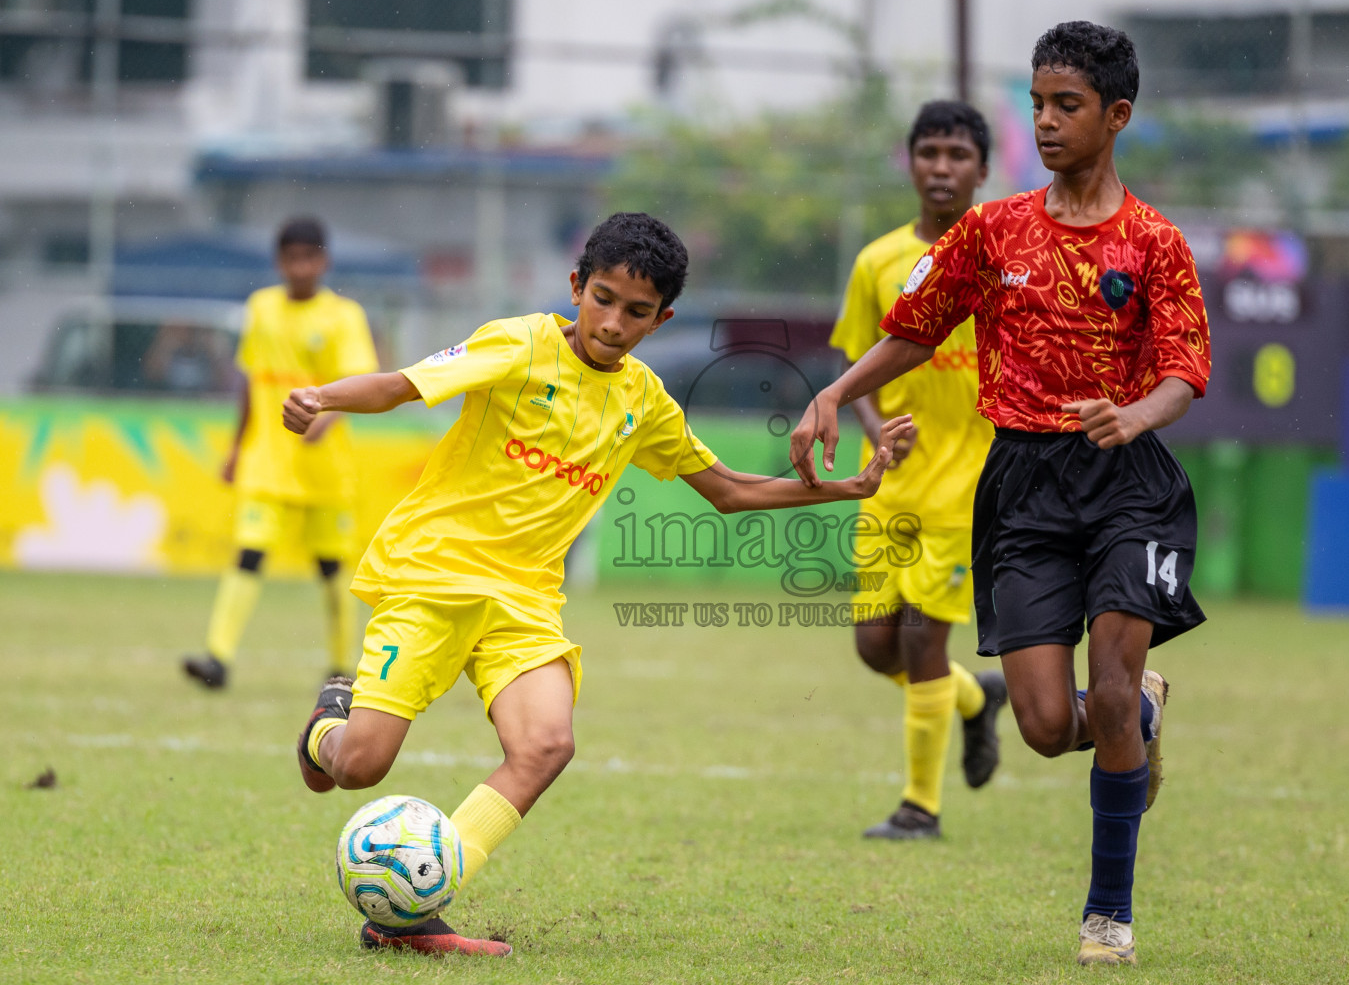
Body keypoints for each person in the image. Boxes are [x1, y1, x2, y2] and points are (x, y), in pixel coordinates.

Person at [285, 212, 913, 956]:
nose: (614, 322)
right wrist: (323, 397)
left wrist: (850, 490)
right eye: (604, 298)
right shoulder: (516, 341)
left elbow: (730, 490)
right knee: (359, 765)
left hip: (523, 603)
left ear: (662, 318)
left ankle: (415, 912)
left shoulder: (644, 401)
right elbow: (402, 385)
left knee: (546, 745)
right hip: (433, 575)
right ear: (577, 285)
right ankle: (326, 725)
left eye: (636, 311)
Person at [790, 22, 1211, 966]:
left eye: (1067, 106)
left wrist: (1138, 414)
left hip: (1126, 486)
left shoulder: (1155, 243)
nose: (1047, 121)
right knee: (1046, 724)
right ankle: (1139, 712)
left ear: (1118, 116)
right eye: (1038, 103)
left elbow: (1186, 368)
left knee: (1098, 688)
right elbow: (914, 328)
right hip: (1021, 487)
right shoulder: (994, 230)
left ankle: (1109, 915)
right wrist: (834, 393)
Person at [828, 100, 1009, 841]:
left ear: (982, 169)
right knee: (876, 647)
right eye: (929, 152)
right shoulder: (878, 261)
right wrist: (874, 432)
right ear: (911, 162)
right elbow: (854, 359)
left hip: (968, 485)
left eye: (957, 154)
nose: (942, 167)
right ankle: (973, 700)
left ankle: (919, 807)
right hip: (890, 484)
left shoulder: (1004, 258)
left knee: (922, 644)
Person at [183, 217, 378, 690]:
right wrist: (236, 448)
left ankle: (340, 665)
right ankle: (218, 658)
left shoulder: (342, 317)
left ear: (324, 261)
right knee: (248, 553)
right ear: (279, 262)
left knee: (330, 566)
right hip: (266, 459)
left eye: (309, 258)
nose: (300, 267)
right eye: (291, 258)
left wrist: (324, 419)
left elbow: (359, 383)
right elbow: (251, 381)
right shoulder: (262, 309)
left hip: (323, 465)